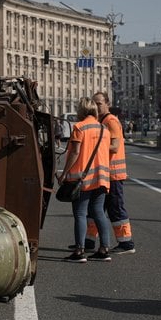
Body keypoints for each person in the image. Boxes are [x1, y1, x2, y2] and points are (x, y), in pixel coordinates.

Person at [57, 97, 113, 263]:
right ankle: (104, 249)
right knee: (99, 213)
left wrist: (64, 173)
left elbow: (75, 153)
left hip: (82, 179)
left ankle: (79, 251)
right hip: (102, 178)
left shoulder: (79, 127)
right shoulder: (104, 129)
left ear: (80, 110)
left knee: (80, 213)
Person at [84, 91, 136, 254]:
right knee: (95, 208)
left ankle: (126, 243)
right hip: (104, 173)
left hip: (113, 173)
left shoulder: (111, 121)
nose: (96, 106)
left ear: (107, 103)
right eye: (94, 103)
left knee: (115, 208)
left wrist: (94, 147)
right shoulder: (100, 121)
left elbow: (114, 146)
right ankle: (89, 241)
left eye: (99, 103)